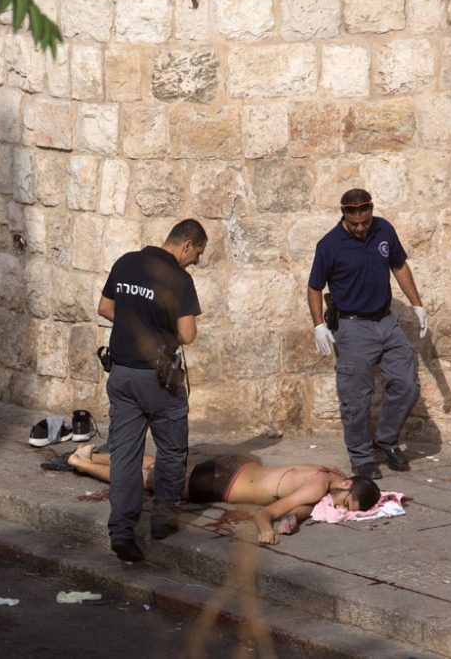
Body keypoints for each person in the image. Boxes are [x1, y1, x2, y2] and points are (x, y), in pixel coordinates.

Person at [97, 219, 207, 563]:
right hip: (158, 380)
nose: (197, 262)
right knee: (172, 450)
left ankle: (122, 531)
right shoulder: (179, 279)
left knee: (125, 456)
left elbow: (105, 307)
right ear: (186, 245)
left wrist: (136, 324)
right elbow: (187, 335)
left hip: (122, 374)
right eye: (198, 254)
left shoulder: (126, 261)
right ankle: (162, 520)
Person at [307, 188, 427, 480]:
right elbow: (314, 287)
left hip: (386, 321)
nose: (361, 227)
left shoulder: (384, 229)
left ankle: (385, 440)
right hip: (353, 326)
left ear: (371, 210)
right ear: (344, 213)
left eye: (365, 220)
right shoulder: (329, 245)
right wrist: (318, 325)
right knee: (355, 397)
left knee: (407, 384)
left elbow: (398, 265)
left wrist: (417, 305)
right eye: (354, 222)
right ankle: (361, 458)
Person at [67, 445, 382, 545]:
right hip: (224, 484)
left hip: (234, 467)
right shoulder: (319, 488)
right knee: (148, 481)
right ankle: (80, 463)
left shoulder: (332, 474)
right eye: (345, 503)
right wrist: (266, 531)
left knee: (159, 465)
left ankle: (93, 454)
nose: (340, 509)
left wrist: (292, 520)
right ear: (346, 486)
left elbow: (298, 504)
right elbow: (264, 514)